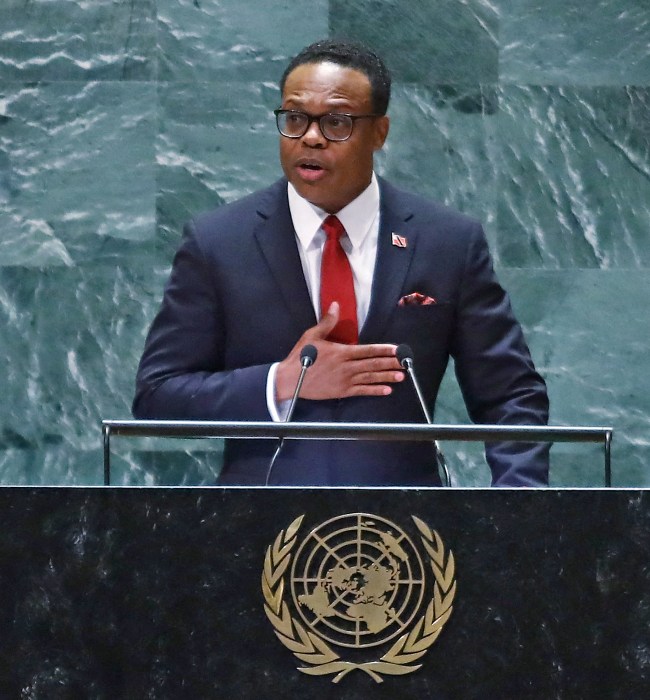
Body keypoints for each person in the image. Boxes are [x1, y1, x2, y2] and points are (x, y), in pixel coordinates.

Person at [133, 39, 550, 487]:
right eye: (295, 118)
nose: (310, 137)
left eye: (335, 122)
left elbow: (510, 395)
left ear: (379, 132)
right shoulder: (218, 242)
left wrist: (516, 509)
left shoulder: (447, 241)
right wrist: (281, 382)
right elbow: (158, 396)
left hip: (409, 532)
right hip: (256, 529)